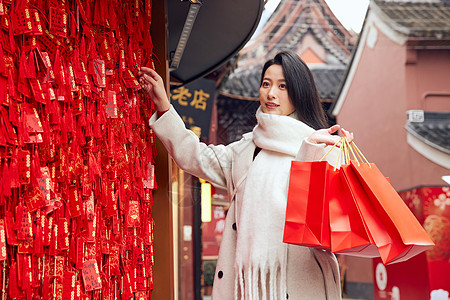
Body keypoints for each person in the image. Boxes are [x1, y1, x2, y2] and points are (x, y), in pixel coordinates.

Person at [138, 50, 353, 300]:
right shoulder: (247, 150)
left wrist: (324, 153)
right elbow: (195, 156)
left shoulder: (319, 147)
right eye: (266, 84)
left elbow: (325, 217)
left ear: (299, 93)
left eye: (283, 86)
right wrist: (165, 107)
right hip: (248, 287)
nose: (271, 93)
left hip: (301, 283)